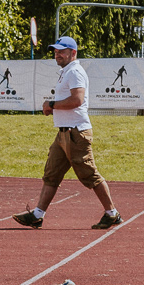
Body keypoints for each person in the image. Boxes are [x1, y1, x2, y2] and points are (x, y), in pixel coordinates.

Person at [12, 36, 122, 230]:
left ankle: (112, 213)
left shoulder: (75, 72)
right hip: (63, 133)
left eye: (61, 51)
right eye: (55, 51)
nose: (57, 54)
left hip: (76, 133)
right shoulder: (67, 71)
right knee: (51, 174)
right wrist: (53, 107)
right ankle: (37, 215)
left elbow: (77, 100)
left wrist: (52, 104)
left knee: (90, 175)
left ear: (73, 53)